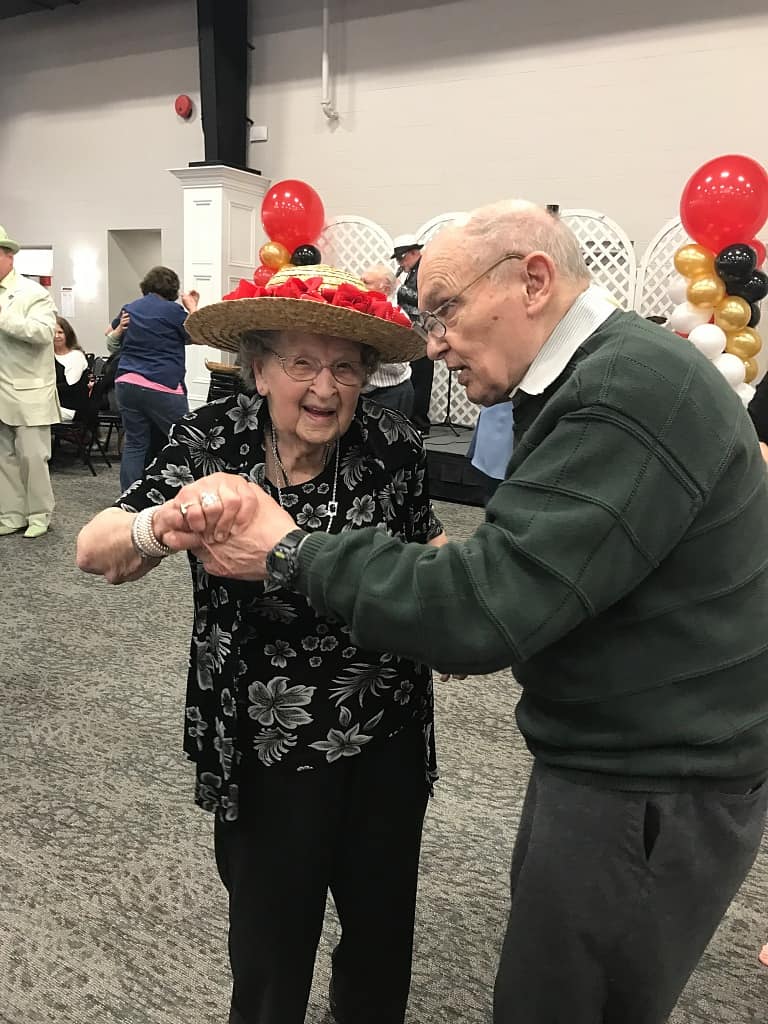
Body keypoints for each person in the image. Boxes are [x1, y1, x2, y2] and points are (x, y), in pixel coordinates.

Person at [155, 202, 768, 1024]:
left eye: (444, 309)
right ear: (259, 369)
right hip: (628, 753)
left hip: (651, 774)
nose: (436, 342)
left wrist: (292, 550)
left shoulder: (622, 391)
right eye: (301, 362)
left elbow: (483, 606)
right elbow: (520, 575)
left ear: (533, 281)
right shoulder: (610, 376)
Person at [77, 264, 447, 1024]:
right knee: (271, 947)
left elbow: (431, 548)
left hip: (386, 726)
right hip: (264, 742)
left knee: (381, 931)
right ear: (258, 368)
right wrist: (164, 524)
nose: (325, 387)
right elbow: (96, 547)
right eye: (301, 362)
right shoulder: (212, 440)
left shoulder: (394, 442)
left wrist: (454, 600)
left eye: (346, 367)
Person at [107, 265, 202, 490]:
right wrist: (192, 307)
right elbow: (199, 335)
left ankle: (128, 498)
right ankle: (191, 493)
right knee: (185, 439)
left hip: (126, 382)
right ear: (173, 289)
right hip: (163, 385)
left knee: (135, 444)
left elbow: (110, 334)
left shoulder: (130, 308)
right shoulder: (173, 311)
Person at [0, 224, 58, 538]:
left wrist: (2, 316)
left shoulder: (34, 293)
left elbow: (43, 333)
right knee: (3, 458)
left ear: (8, 256)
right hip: (1, 391)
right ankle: (11, 515)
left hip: (29, 392)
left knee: (33, 458)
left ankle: (39, 515)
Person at [359, 262, 414, 416]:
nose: (359, 285)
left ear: (386, 288)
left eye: (366, 282)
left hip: (391, 395)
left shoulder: (398, 318)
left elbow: (399, 366)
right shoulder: (361, 312)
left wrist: (368, 354)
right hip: (365, 394)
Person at [392, 235, 433, 434]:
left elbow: (425, 300)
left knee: (421, 378)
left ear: (414, 252)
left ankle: (419, 422)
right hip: (414, 331)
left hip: (422, 332)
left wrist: (399, 289)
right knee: (415, 376)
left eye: (402, 258)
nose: (400, 263)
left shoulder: (425, 270)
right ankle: (414, 420)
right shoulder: (413, 272)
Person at [53, 315, 89, 422]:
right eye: (53, 333)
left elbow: (70, 386)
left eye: (60, 332)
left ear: (67, 334)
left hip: (70, 408)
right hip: (51, 404)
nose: (56, 336)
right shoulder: (46, 356)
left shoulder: (76, 356)